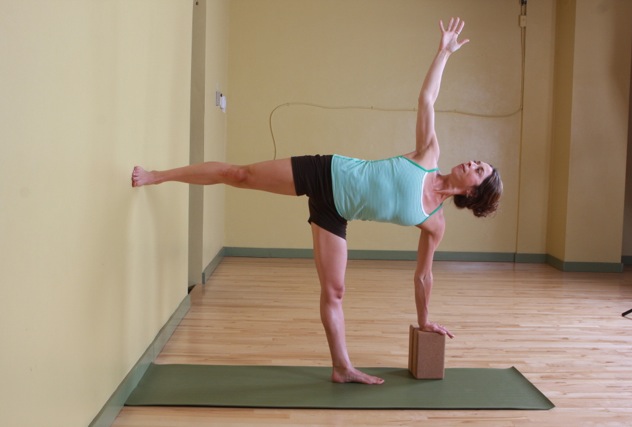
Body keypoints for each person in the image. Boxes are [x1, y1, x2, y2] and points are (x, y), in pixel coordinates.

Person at [131, 17, 502, 385]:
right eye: (477, 161)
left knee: (334, 291)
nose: (472, 163)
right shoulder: (428, 154)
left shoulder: (435, 222)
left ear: (473, 192)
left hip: (335, 213)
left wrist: (424, 321)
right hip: (326, 172)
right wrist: (443, 53)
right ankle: (157, 175)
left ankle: (341, 367)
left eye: (479, 170)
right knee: (239, 174)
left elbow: (424, 275)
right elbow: (427, 99)